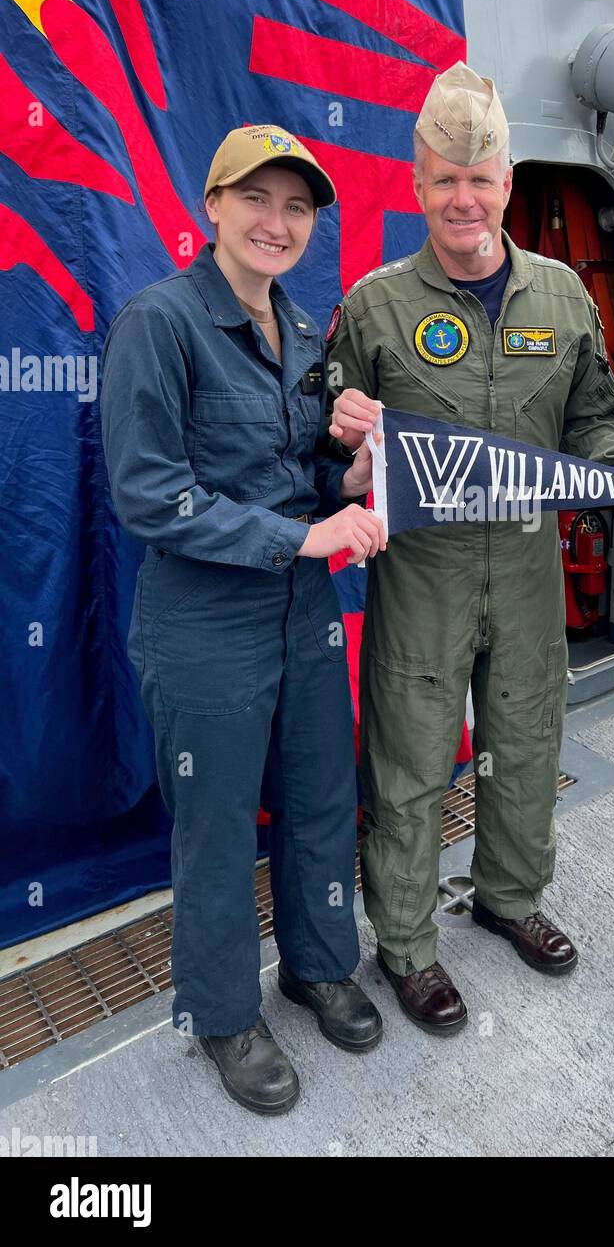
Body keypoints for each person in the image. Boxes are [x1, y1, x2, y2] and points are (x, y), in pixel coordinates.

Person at [327, 63, 614, 1034]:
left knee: (528, 743)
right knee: (409, 761)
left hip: (530, 565)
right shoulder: (372, 308)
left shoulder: (562, 297)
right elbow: (323, 452)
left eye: (482, 175)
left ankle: (508, 896)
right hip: (422, 574)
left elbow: (596, 426)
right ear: (417, 183)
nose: (464, 195)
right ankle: (407, 946)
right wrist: (342, 448)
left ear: (508, 181)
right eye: (445, 176)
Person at [100, 124, 388, 1114]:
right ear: (211, 207)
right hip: (205, 622)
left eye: (297, 207)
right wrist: (302, 536)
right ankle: (222, 1013)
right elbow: (148, 493)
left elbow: (305, 470)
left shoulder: (307, 337)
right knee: (217, 828)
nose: (277, 222)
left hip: (303, 614)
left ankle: (317, 965)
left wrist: (346, 476)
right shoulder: (161, 322)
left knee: (319, 798)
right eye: (256, 200)